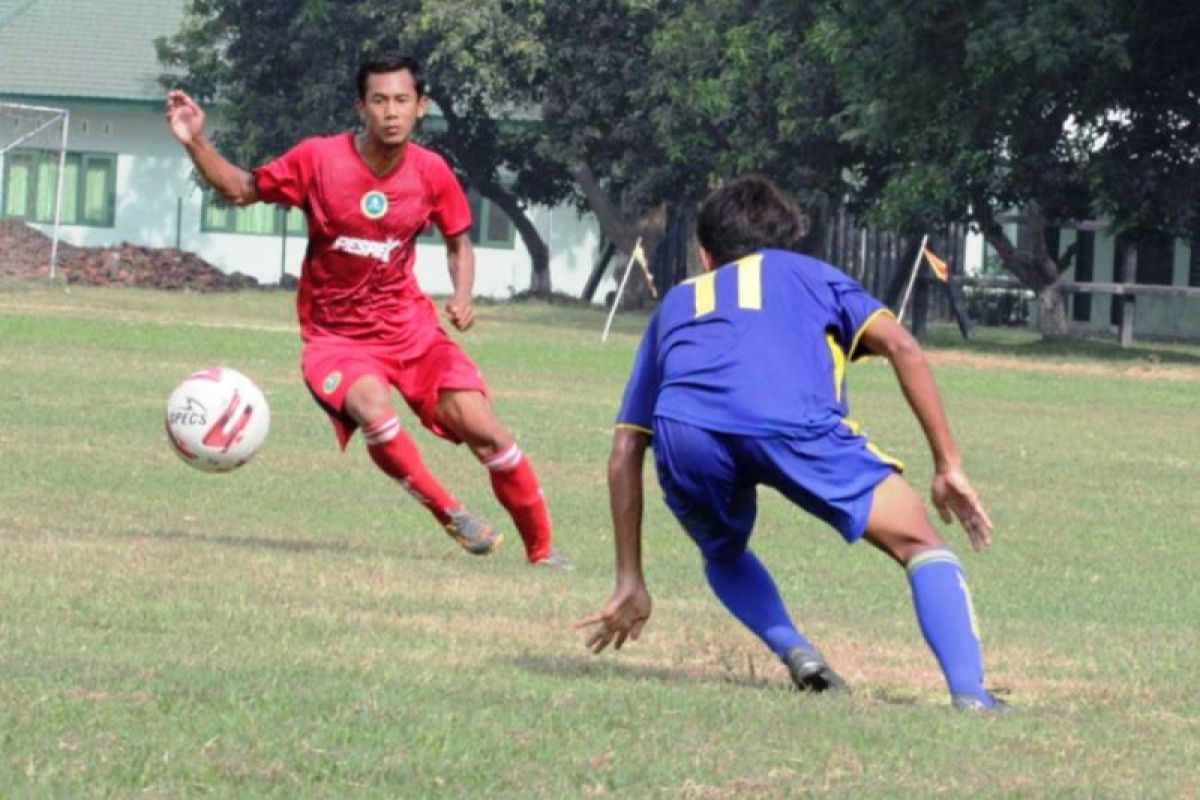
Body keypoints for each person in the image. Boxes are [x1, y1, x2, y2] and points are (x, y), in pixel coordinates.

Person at [578, 175, 1004, 710]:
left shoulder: (676, 304)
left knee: (724, 553)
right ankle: (971, 697)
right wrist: (948, 464)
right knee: (920, 543)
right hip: (792, 421)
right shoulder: (810, 274)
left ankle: (797, 653)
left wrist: (630, 577)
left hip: (686, 430)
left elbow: (624, 453)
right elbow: (903, 346)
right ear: (786, 242)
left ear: (706, 256)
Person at [165, 53, 566, 568]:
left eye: (402, 101)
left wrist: (462, 294)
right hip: (335, 341)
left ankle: (544, 555)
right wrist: (195, 139)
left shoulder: (432, 172)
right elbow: (242, 189)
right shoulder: (318, 160)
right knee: (375, 408)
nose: (391, 112)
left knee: (489, 432)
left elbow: (458, 241)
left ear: (421, 108)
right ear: (361, 106)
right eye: (379, 100)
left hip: (412, 332)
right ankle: (452, 513)